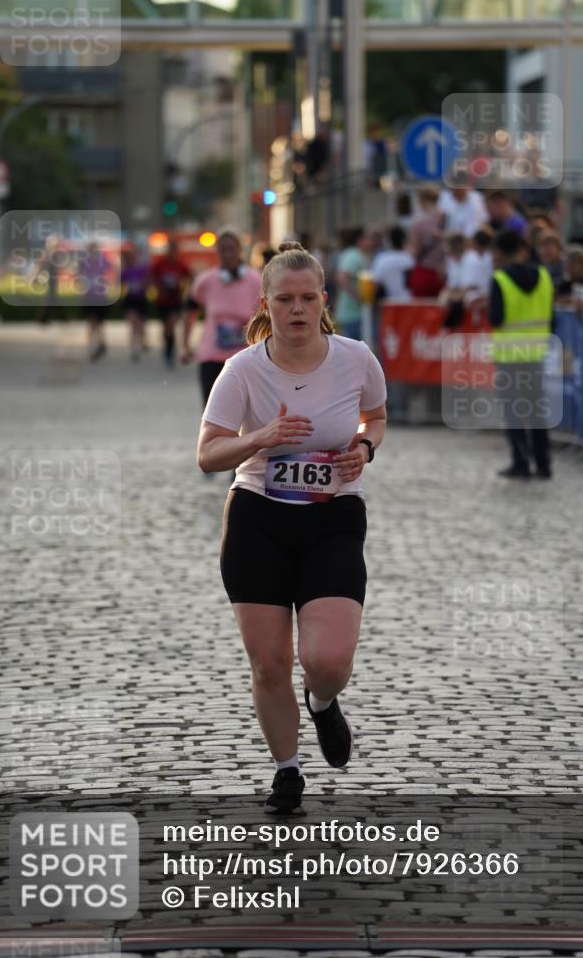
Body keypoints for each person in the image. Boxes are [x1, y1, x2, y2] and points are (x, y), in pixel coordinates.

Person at [196, 241, 387, 814]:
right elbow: (208, 455)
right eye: (285, 300)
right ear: (267, 303)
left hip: (333, 517)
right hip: (259, 517)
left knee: (326, 660)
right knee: (270, 661)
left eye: (308, 298)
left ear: (324, 300)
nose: (297, 309)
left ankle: (323, 702)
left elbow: (375, 417)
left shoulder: (356, 358)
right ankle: (287, 770)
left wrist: (364, 448)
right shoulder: (242, 369)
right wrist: (260, 438)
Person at [489, 231, 554, 480]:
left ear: (501, 253)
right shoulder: (545, 277)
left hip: (509, 356)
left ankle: (521, 464)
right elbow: (552, 316)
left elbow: (496, 318)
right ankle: (544, 465)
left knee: (514, 411)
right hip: (536, 354)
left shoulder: (501, 280)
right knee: (537, 412)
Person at [181, 228, 261, 406]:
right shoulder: (206, 280)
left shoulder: (255, 280)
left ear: (240, 250)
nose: (227, 254)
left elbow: (267, 316)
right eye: (222, 250)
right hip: (211, 356)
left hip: (244, 357)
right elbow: (190, 311)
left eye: (231, 249)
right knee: (211, 408)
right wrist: (185, 345)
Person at [150, 239, 190, 368]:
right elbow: (152, 277)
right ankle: (167, 346)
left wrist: (184, 289)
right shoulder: (160, 265)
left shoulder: (180, 265)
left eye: (174, 251)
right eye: (170, 250)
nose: (172, 253)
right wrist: (158, 289)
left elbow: (189, 276)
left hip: (175, 300)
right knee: (166, 327)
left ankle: (169, 352)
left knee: (171, 325)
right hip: (162, 301)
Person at [334, 228, 375, 340]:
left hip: (352, 313)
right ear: (360, 240)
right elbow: (342, 278)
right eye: (368, 238)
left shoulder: (353, 254)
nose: (372, 241)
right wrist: (359, 297)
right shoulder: (354, 255)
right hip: (352, 314)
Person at [408, 187, 447, 297]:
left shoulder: (419, 224)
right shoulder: (447, 218)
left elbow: (416, 250)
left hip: (424, 272)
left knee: (421, 311)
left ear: (422, 201)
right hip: (445, 273)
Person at [77, 241, 111, 362]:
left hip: (100, 296)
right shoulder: (83, 262)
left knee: (100, 322)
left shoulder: (103, 260)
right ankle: (93, 346)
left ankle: (101, 342)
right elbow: (78, 276)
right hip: (89, 296)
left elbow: (112, 270)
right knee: (91, 322)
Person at [121, 245, 150, 361]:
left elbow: (148, 282)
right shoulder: (126, 270)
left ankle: (143, 341)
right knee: (133, 324)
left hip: (141, 299)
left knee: (141, 325)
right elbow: (121, 282)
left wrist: (143, 285)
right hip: (130, 299)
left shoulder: (143, 269)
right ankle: (134, 348)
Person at [371, 226, 414, 302]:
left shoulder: (382, 259)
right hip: (411, 301)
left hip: (391, 304)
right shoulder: (410, 258)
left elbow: (375, 285)